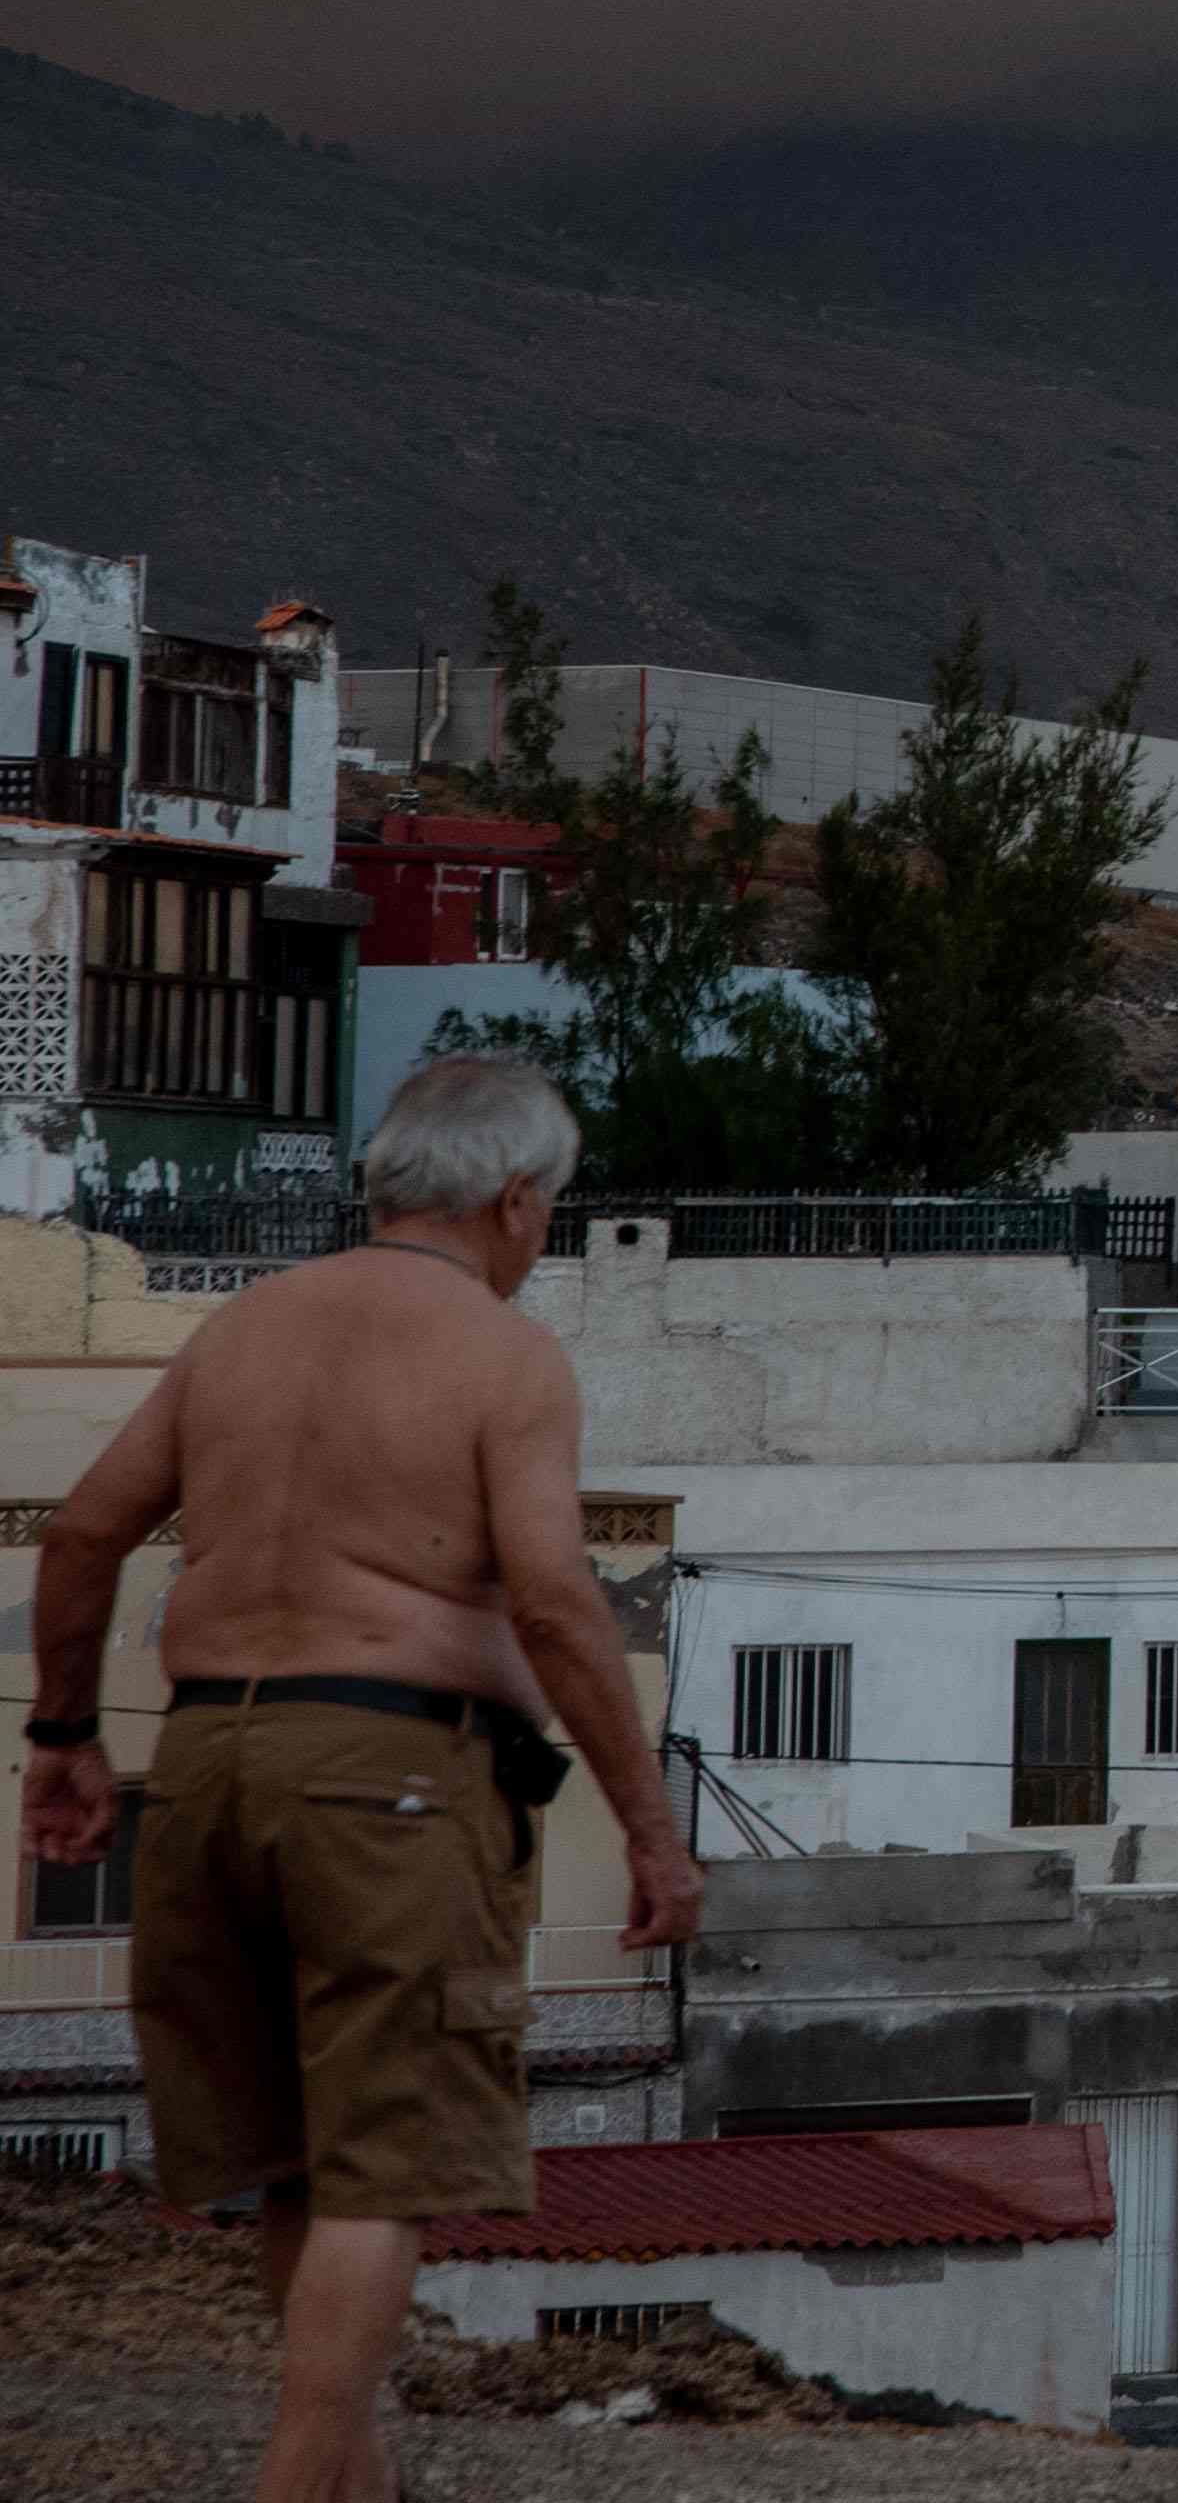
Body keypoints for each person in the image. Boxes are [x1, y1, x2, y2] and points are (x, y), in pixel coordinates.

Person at [21, 1053, 701, 2503]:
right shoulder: (506, 1356)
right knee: (387, 2172)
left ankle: (352, 2480)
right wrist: (652, 1830)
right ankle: (295, 2485)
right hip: (387, 1776)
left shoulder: (245, 1327)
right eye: (552, 1211)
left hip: (202, 1766)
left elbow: (81, 1538)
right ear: (516, 1202)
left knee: (301, 2168)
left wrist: (61, 1739)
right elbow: (559, 1600)